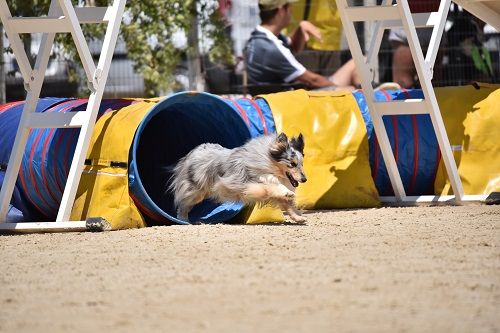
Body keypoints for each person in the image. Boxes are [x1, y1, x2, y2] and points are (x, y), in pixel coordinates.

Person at [243, 0, 359, 91]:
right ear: (281, 11)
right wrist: (342, 90)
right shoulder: (271, 48)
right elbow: (313, 80)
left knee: (357, 62)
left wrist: (301, 26)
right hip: (289, 103)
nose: (292, 11)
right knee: (354, 92)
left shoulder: (259, 38)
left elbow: (291, 45)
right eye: (289, 7)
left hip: (281, 96)